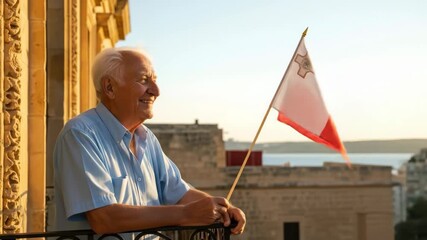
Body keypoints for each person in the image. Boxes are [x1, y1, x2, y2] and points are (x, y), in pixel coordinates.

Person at [53, 47, 246, 238]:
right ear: (110, 87)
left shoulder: (146, 139)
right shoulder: (80, 135)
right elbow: (104, 218)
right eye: (144, 80)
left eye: (154, 80)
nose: (156, 91)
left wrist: (223, 208)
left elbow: (180, 192)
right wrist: (185, 214)